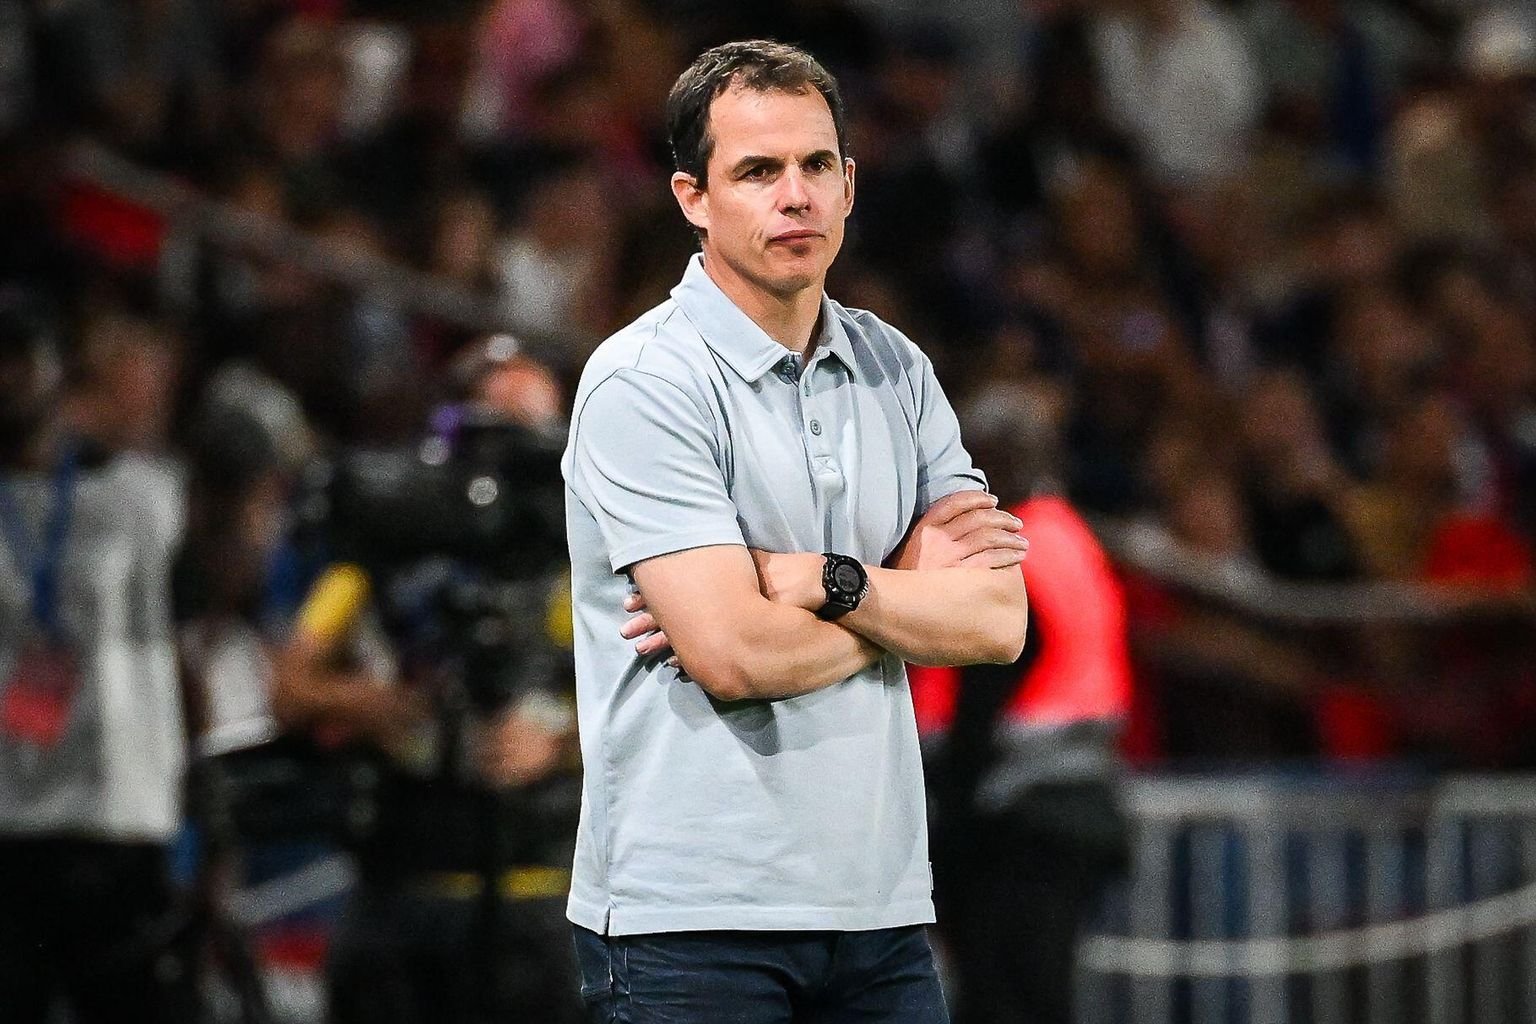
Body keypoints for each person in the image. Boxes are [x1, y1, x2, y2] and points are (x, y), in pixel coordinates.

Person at [561, 40, 1030, 1023]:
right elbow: (733, 654)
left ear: (850, 184)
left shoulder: (897, 367)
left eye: (817, 165)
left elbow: (996, 622)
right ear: (693, 197)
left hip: (880, 909)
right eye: (758, 171)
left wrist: (829, 580)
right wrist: (905, 603)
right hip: (690, 919)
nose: (796, 196)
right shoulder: (644, 381)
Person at [912, 384, 1133, 1024]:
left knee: (1004, 997)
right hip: (1071, 799)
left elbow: (989, 687)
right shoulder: (1065, 534)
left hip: (1016, 811)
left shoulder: (1011, 548)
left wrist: (951, 814)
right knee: (1035, 993)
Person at [0, 292, 192, 1023]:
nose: (7, 379)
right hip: (8, 826)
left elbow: (192, 642)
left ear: (60, 369)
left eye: (19, 358)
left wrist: (203, 818)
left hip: (118, 821)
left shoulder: (143, 495)